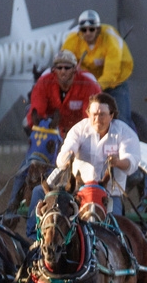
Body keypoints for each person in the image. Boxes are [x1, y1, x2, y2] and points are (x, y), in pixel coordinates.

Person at [26, 93, 140, 239]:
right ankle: (33, 238)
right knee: (39, 193)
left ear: (112, 116)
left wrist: (117, 162)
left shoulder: (124, 133)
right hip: (78, 191)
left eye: (102, 115)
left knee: (114, 233)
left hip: (110, 194)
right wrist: (68, 157)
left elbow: (132, 161)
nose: (97, 119)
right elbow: (64, 155)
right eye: (94, 114)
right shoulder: (79, 129)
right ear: (88, 114)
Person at [4, 50, 101, 221]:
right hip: (52, 131)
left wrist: (74, 139)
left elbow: (92, 120)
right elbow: (36, 112)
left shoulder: (89, 85)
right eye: (59, 68)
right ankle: (11, 208)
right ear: (54, 70)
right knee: (26, 167)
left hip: (81, 133)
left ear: (74, 70)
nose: (63, 71)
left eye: (67, 67)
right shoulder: (44, 82)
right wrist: (45, 126)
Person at [61, 10, 136, 133]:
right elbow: (64, 63)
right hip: (89, 84)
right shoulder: (72, 40)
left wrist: (94, 88)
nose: (88, 33)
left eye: (92, 29)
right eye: (84, 30)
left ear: (98, 29)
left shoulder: (111, 39)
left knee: (120, 119)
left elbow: (111, 73)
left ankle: (134, 140)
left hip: (115, 83)